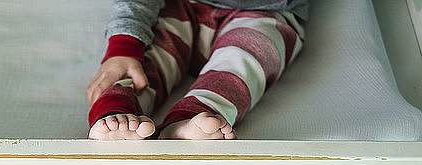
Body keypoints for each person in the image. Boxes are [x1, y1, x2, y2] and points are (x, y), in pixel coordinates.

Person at [87, 0, 307, 140]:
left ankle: (190, 121)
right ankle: (115, 111)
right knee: (136, 67)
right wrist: (124, 46)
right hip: (183, 6)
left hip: (266, 12)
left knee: (245, 59)